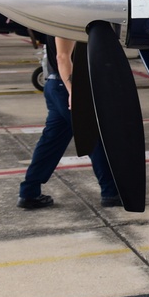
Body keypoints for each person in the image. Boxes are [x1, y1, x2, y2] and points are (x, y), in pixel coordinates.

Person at [17, 36, 120, 209]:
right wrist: (74, 91)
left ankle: (29, 192)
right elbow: (62, 57)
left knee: (51, 142)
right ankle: (111, 192)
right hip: (65, 86)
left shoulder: (53, 17)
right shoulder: (64, 18)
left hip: (55, 84)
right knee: (93, 136)